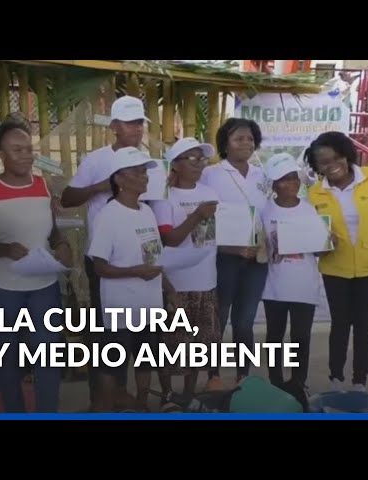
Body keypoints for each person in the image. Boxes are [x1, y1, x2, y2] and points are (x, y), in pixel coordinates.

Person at [0, 114, 73, 413]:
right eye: (16, 149)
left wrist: (63, 244)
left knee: (48, 355)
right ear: (1, 154)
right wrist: (3, 248)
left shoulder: (44, 186)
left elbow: (53, 230)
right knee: (8, 358)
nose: (25, 155)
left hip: (43, 284)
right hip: (2, 287)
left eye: (28, 148)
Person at [60, 95, 149, 410]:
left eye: (140, 122)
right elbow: (68, 198)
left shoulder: (148, 161)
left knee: (137, 334)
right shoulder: (97, 159)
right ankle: (100, 400)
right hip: (104, 259)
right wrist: (102, 187)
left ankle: (125, 397)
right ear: (114, 126)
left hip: (141, 259)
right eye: (129, 122)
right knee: (106, 334)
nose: (136, 129)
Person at [88, 146, 178, 412]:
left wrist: (168, 288)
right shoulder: (108, 215)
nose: (145, 177)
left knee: (145, 359)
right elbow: (99, 268)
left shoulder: (147, 212)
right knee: (111, 363)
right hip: (120, 307)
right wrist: (135, 272)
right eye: (138, 172)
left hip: (149, 305)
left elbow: (153, 259)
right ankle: (105, 408)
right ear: (119, 179)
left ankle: (141, 404)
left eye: (145, 171)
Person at [304, 131, 368, 392]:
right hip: (335, 269)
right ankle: (335, 378)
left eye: (336, 157)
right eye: (323, 162)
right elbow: (310, 239)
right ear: (316, 166)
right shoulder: (314, 195)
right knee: (339, 324)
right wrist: (321, 244)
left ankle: (359, 381)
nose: (331, 165)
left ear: (347, 156)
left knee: (364, 326)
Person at [148, 138, 221, 409]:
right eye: (191, 159)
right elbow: (170, 239)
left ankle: (189, 397)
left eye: (201, 159)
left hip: (206, 281)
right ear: (175, 165)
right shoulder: (164, 198)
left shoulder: (211, 192)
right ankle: (168, 395)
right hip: (175, 284)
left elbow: (217, 234)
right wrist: (197, 216)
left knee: (200, 346)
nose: (199, 164)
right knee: (170, 347)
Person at [200, 117, 270, 388]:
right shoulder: (211, 174)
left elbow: (268, 214)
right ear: (225, 144)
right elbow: (204, 220)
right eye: (239, 138)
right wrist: (230, 247)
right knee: (219, 317)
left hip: (256, 258)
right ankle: (213, 375)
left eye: (250, 139)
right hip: (223, 257)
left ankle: (244, 375)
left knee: (245, 321)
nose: (246, 143)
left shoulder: (262, 175)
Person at [260, 153, 323, 389]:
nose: (292, 183)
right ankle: (275, 383)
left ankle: (298, 383)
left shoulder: (310, 209)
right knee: (274, 337)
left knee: (301, 337)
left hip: (304, 286)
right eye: (284, 179)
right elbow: (259, 248)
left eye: (294, 177)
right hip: (273, 286)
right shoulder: (265, 211)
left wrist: (328, 242)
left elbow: (319, 251)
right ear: (274, 184)